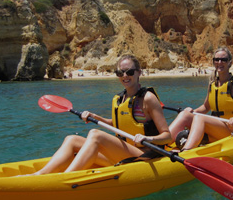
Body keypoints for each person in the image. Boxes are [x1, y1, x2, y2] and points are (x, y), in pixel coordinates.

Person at [31, 55, 172, 174]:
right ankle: (39, 175)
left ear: (139, 73)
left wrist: (147, 138)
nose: (124, 76)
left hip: (144, 156)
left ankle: (66, 178)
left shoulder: (147, 98)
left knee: (96, 134)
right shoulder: (119, 98)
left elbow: (167, 136)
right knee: (71, 139)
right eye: (120, 72)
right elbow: (118, 124)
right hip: (123, 152)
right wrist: (95, 117)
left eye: (129, 72)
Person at [169, 47, 233, 151]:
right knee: (185, 115)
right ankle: (162, 143)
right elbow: (205, 107)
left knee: (200, 118)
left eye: (224, 60)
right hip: (217, 128)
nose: (219, 62)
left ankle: (186, 151)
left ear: (230, 63)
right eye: (216, 60)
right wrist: (192, 111)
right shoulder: (213, 85)